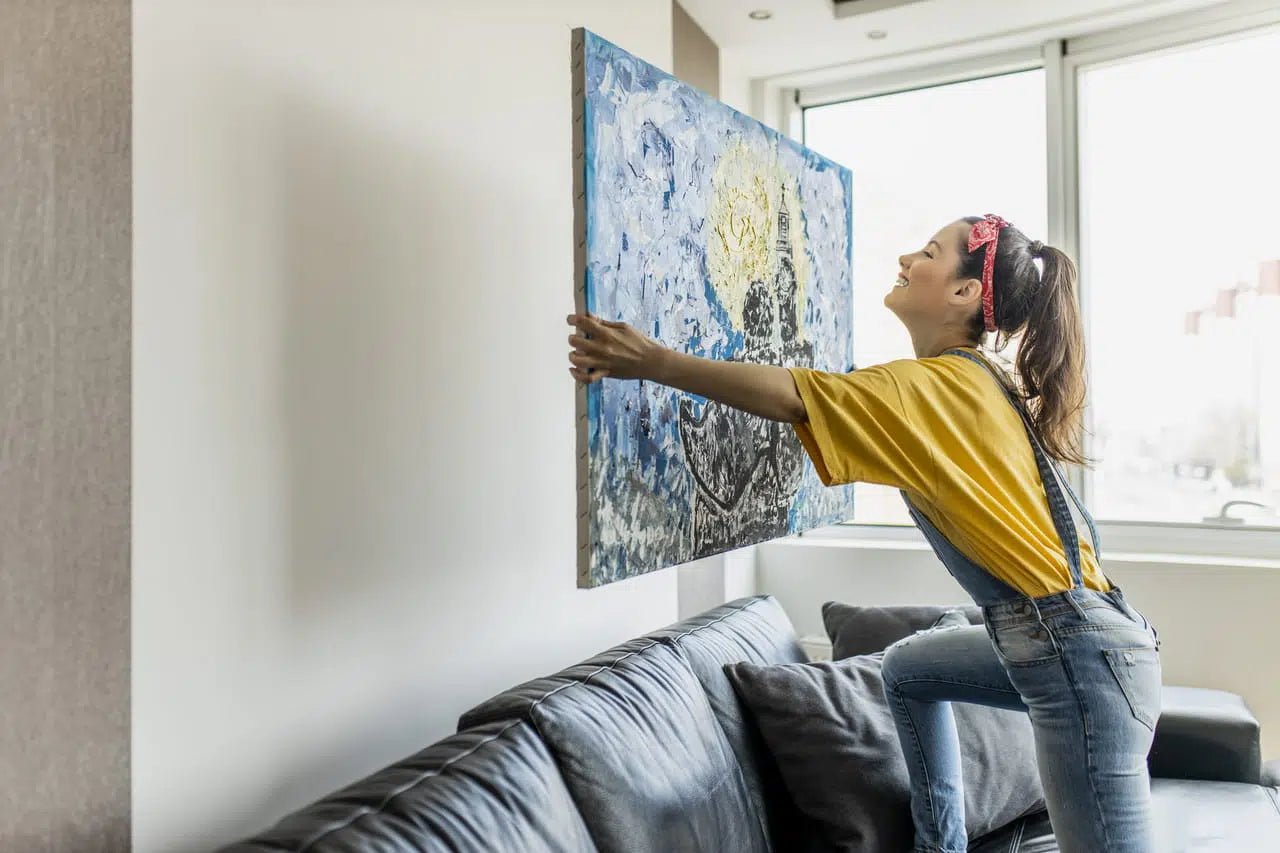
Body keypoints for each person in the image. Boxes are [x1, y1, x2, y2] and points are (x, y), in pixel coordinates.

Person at [566, 214, 1163, 853]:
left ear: (964, 293)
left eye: (931, 252)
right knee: (909, 667)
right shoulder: (976, 382)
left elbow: (800, 398)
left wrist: (653, 361)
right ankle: (941, 844)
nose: (907, 257)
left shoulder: (940, 385)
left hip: (1079, 660)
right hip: (1071, 640)